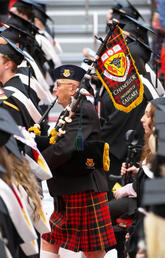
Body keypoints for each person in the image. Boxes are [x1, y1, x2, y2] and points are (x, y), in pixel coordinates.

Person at [40, 64, 116, 258]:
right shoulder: (72, 109)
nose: (54, 89)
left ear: (73, 89)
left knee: (92, 250)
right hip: (72, 187)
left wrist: (37, 164)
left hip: (83, 188)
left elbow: (66, 148)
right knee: (51, 238)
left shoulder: (83, 110)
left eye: (58, 85)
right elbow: (58, 141)